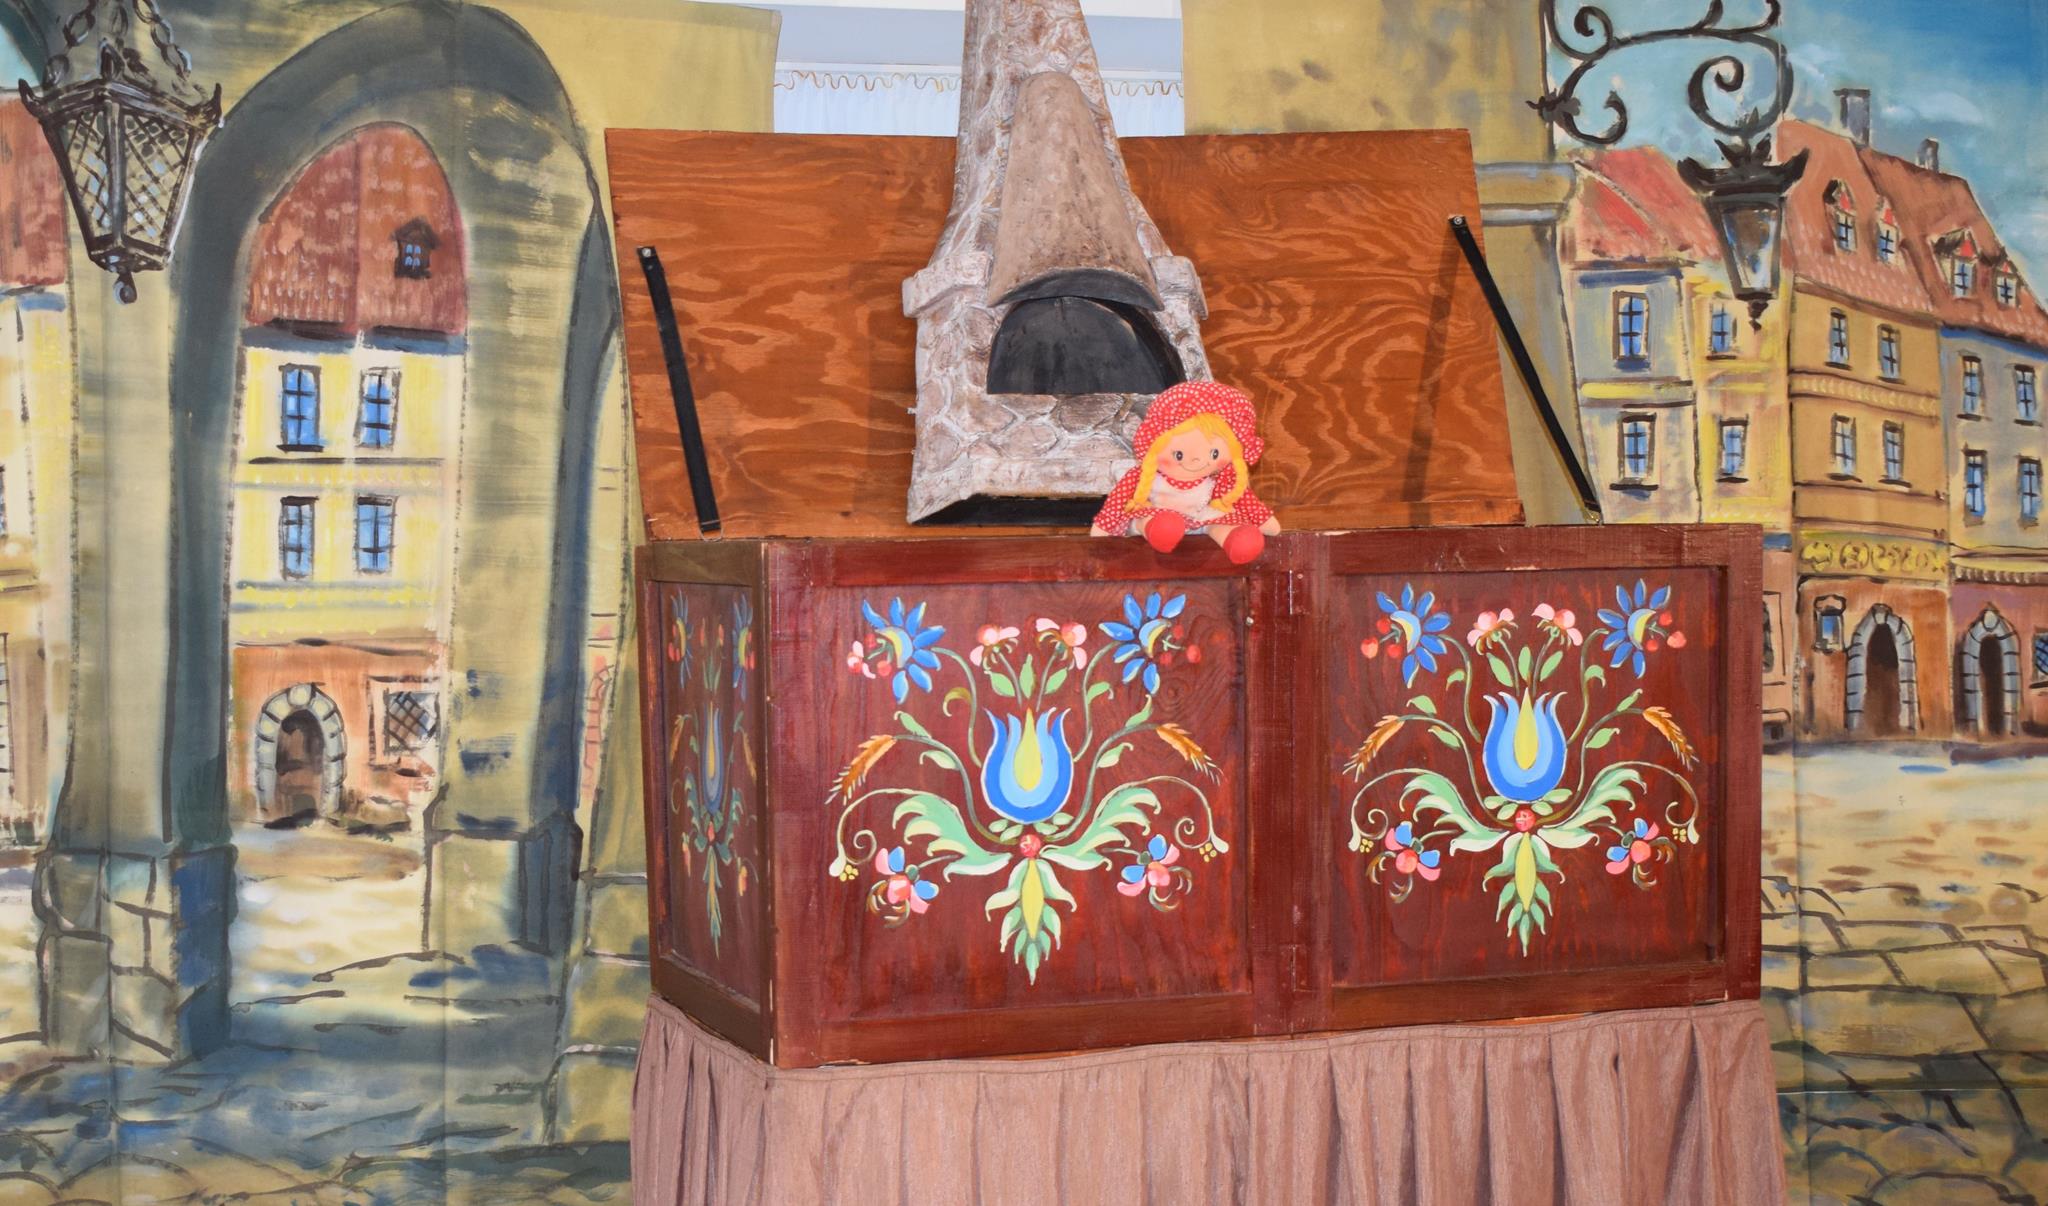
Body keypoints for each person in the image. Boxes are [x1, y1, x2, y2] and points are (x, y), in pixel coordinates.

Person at [1090, 380, 1281, 564]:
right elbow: (1118, 500)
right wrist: (1103, 527)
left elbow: (1244, 500)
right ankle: (1159, 531)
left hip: (1199, 518)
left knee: (1220, 522)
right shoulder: (1143, 476)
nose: (1197, 460)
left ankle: (1238, 541)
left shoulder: (1220, 480)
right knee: (1149, 520)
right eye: (1179, 455)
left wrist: (1263, 520)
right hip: (1154, 514)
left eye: (1214, 454)